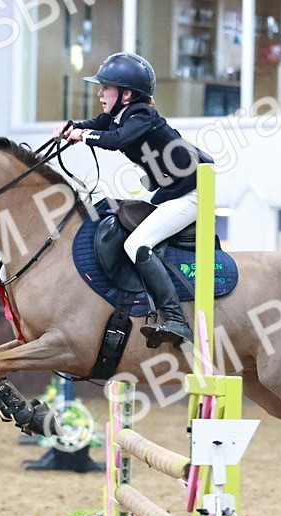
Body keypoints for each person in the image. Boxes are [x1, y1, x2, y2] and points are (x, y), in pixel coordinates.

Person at [54, 52, 212, 348]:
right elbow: (99, 122)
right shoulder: (121, 114)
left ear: (126, 95)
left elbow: (116, 141)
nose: (100, 94)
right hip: (171, 192)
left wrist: (82, 135)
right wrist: (70, 128)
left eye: (106, 88)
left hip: (193, 194)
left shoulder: (143, 116)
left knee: (136, 244)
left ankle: (176, 318)